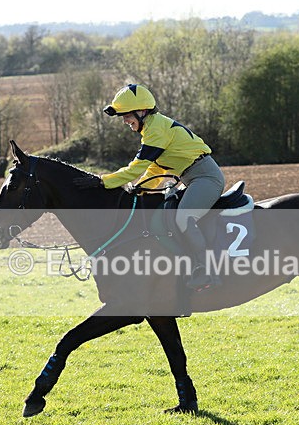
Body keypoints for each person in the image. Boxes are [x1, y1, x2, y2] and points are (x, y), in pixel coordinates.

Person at [75, 84, 225, 291]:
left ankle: (206, 271)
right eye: (123, 117)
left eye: (127, 115)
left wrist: (103, 181)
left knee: (184, 218)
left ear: (143, 111)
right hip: (192, 178)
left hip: (206, 178)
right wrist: (139, 189)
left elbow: (136, 168)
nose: (125, 121)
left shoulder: (156, 130)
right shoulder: (152, 128)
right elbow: (155, 168)